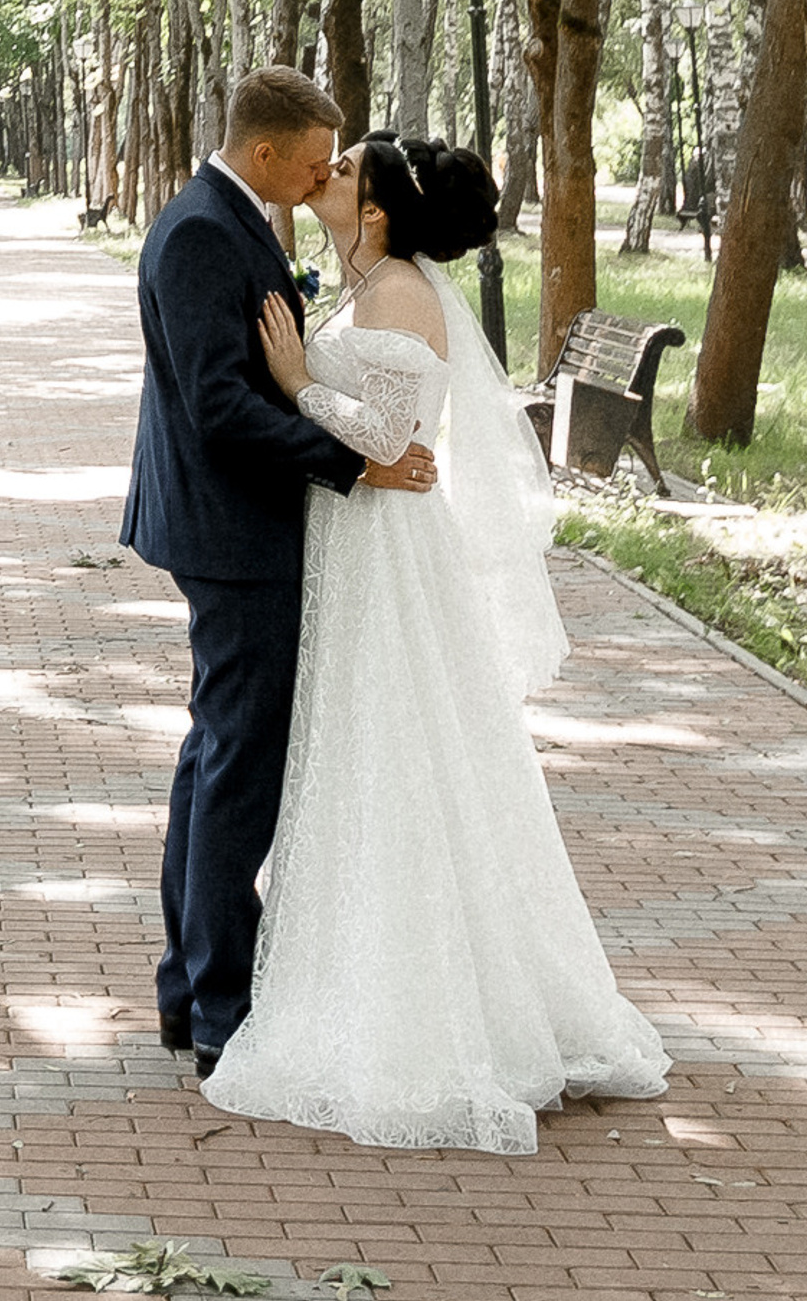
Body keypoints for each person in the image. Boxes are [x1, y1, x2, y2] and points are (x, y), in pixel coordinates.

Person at [204, 131, 669, 1154]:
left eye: (343, 171)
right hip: (355, 539)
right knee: (364, 754)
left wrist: (294, 383)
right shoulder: (370, 278)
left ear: (374, 211)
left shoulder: (402, 294)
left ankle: (430, 1017)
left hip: (387, 550)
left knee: (395, 751)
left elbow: (396, 444)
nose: (324, 176)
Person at [121, 67, 438, 1074]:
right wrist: (356, 459)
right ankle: (219, 1006)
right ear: (265, 152)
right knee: (237, 770)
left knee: (214, 757)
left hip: (233, 529)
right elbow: (218, 407)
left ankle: (189, 988)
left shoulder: (231, 214)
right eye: (312, 159)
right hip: (233, 535)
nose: (321, 174)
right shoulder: (206, 230)